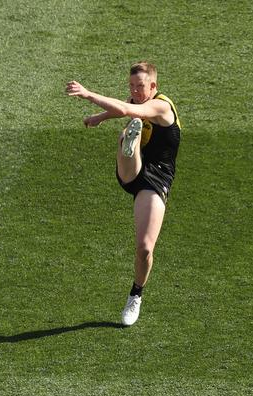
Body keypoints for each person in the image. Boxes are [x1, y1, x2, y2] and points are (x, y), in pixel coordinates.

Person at [66, 62, 181, 326]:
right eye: (131, 86)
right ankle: (129, 142)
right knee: (128, 140)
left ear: (154, 86)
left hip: (156, 179)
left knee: (144, 248)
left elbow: (128, 108)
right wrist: (99, 118)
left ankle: (136, 295)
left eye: (140, 86)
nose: (135, 91)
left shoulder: (161, 107)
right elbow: (125, 106)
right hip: (134, 170)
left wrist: (88, 94)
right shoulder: (139, 101)